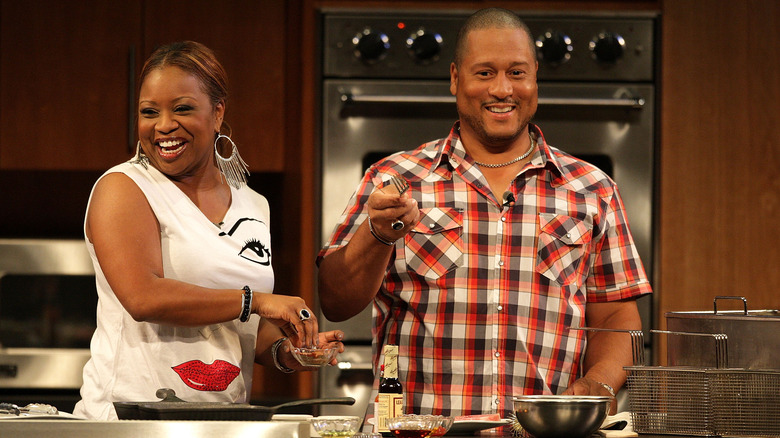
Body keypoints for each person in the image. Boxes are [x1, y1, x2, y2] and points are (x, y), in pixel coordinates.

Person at [317, 8, 651, 419]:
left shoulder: (593, 189)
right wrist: (377, 234)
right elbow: (334, 300)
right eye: (485, 73)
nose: (502, 89)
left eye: (516, 72)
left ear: (534, 78)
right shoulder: (394, 178)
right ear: (456, 78)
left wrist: (594, 386)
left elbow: (617, 314)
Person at [74, 41, 342, 420]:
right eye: (149, 112)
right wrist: (259, 301)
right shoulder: (123, 188)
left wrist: (290, 352)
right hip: (128, 419)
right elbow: (142, 297)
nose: (163, 125)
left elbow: (243, 328)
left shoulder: (253, 204)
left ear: (217, 113)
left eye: (182, 108)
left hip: (221, 421)